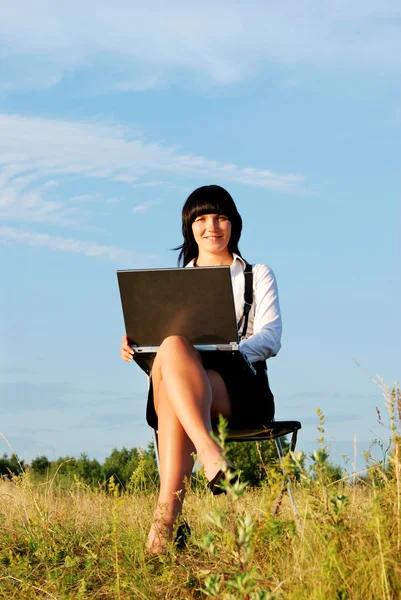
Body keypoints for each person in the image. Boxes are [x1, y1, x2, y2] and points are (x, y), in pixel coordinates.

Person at [120, 185, 282, 554]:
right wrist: (138, 345)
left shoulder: (257, 275)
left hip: (240, 387)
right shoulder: (172, 285)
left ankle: (162, 528)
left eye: (221, 217)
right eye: (202, 219)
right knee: (173, 347)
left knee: (174, 383)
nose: (212, 226)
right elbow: (163, 351)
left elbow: (270, 337)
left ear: (234, 224)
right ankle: (209, 455)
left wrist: (230, 346)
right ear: (189, 227)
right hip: (186, 386)